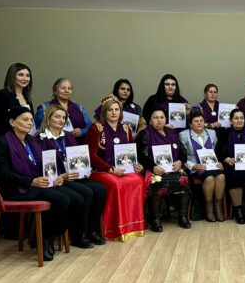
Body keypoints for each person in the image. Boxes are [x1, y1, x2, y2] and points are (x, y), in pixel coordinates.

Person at [0, 106, 72, 261]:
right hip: (15, 188)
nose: (29, 123)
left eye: (31, 120)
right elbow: (2, 174)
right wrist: (31, 181)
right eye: (25, 119)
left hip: (35, 184)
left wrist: (55, 176)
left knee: (74, 198)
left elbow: (44, 164)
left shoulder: (32, 140)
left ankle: (47, 235)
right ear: (12, 122)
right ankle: (45, 240)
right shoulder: (2, 142)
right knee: (61, 199)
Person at [38, 104, 108, 247]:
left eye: (64, 117)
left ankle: (92, 230)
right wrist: (63, 176)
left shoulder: (68, 136)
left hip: (74, 175)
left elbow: (77, 157)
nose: (61, 120)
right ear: (48, 118)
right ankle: (79, 234)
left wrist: (85, 168)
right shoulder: (40, 139)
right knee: (86, 192)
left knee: (101, 189)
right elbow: (43, 166)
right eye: (57, 116)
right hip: (58, 178)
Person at [86, 99, 147, 241]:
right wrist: (110, 169)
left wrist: (137, 165)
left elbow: (131, 151)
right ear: (104, 112)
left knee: (138, 180)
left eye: (116, 109)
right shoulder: (96, 128)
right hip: (101, 170)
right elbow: (91, 155)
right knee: (116, 184)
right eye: (110, 110)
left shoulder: (126, 128)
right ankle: (112, 228)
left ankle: (133, 226)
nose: (114, 112)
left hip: (124, 169)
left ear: (121, 112)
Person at [138, 108, 191, 231]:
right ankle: (155, 219)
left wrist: (180, 161)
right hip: (153, 169)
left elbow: (183, 152)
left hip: (174, 168)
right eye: (155, 118)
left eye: (162, 117)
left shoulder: (173, 133)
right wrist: (153, 167)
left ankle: (183, 216)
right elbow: (142, 156)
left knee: (185, 179)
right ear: (150, 120)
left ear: (166, 119)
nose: (159, 120)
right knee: (156, 181)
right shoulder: (144, 134)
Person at [215, 108, 245, 224]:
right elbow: (218, 151)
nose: (239, 120)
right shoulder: (225, 133)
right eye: (236, 118)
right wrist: (226, 158)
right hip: (233, 165)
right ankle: (238, 210)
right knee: (234, 174)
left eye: (242, 118)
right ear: (231, 121)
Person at [179, 109, 225, 222]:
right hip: (195, 167)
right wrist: (193, 166)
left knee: (221, 176)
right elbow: (182, 156)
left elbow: (217, 151)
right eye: (196, 121)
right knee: (209, 178)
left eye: (201, 121)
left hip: (212, 165)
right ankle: (209, 207)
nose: (199, 123)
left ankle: (218, 206)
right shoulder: (183, 135)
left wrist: (219, 162)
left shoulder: (212, 133)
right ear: (190, 124)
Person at [0, 63, 34, 136]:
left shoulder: (27, 98)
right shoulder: (1, 95)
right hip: (7, 139)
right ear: (12, 76)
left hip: (26, 138)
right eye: (21, 75)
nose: (25, 78)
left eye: (28, 75)